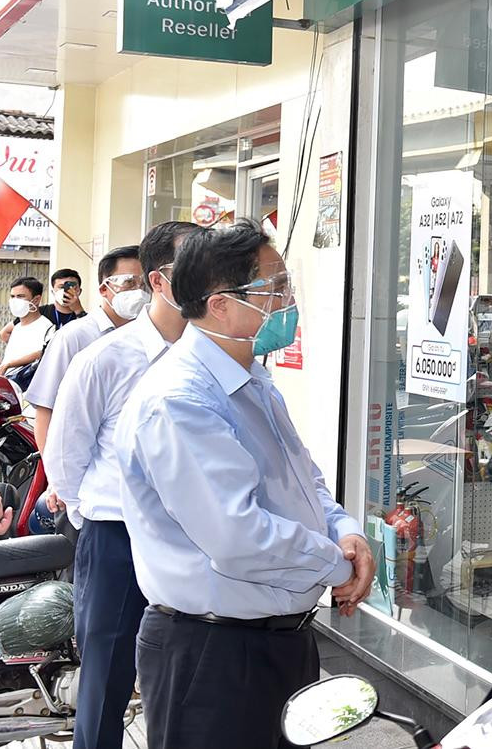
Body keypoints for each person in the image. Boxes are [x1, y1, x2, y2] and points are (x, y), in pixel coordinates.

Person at [115, 221, 375, 749]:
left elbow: (304, 480)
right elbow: (237, 537)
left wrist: (345, 530)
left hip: (280, 639)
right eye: (274, 289)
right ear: (221, 304)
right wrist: (336, 564)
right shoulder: (180, 400)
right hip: (213, 652)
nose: (288, 301)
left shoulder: (253, 380)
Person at [44, 222, 198, 749]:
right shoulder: (104, 358)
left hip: (194, 538)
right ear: (161, 280)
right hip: (117, 536)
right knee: (107, 677)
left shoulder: (212, 354)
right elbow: (65, 453)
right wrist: (96, 519)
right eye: (194, 266)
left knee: (186, 677)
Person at [28, 246, 146, 456]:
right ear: (104, 289)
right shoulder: (74, 337)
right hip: (82, 464)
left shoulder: (146, 335)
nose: (138, 291)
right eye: (129, 283)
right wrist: (55, 479)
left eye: (143, 284)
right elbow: (45, 410)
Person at [0, 268, 86, 344]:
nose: (66, 291)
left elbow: (87, 335)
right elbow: (4, 333)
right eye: (61, 287)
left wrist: (78, 310)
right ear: (53, 292)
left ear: (79, 291)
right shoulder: (38, 313)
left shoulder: (85, 317)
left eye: (72, 287)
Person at [0, 277, 53, 379]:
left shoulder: (46, 327)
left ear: (36, 300)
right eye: (12, 296)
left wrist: (8, 364)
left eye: (20, 296)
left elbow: (41, 353)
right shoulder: (17, 327)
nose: (15, 301)